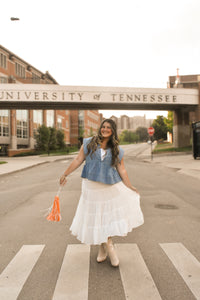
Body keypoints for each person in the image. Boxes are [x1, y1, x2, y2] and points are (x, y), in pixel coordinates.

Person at [60, 118, 144, 267]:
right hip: (91, 187)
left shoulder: (117, 149)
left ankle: (104, 247)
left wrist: (130, 186)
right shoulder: (88, 143)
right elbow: (79, 159)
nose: (105, 129)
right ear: (100, 128)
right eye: (103, 126)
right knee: (96, 218)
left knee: (107, 218)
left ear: (113, 131)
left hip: (109, 187)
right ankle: (108, 247)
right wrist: (65, 174)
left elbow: (122, 169)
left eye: (108, 128)